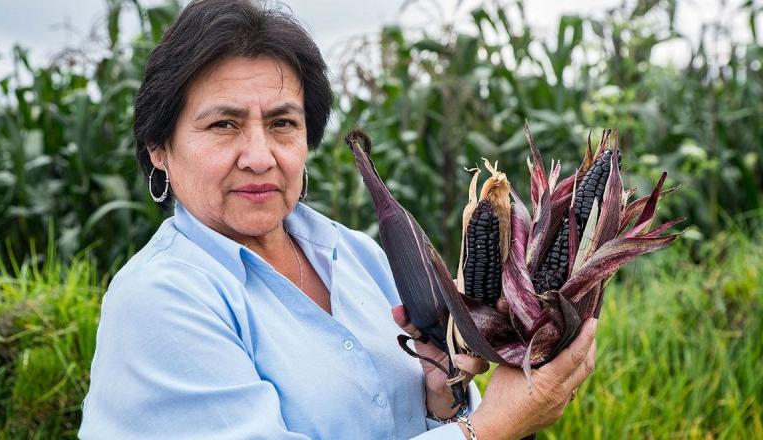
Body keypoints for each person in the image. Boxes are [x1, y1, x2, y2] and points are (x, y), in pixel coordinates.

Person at [78, 1, 597, 439]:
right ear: (160, 148)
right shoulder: (158, 301)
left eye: (282, 123)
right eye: (224, 124)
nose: (259, 156)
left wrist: (443, 399)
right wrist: (490, 427)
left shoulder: (357, 256)